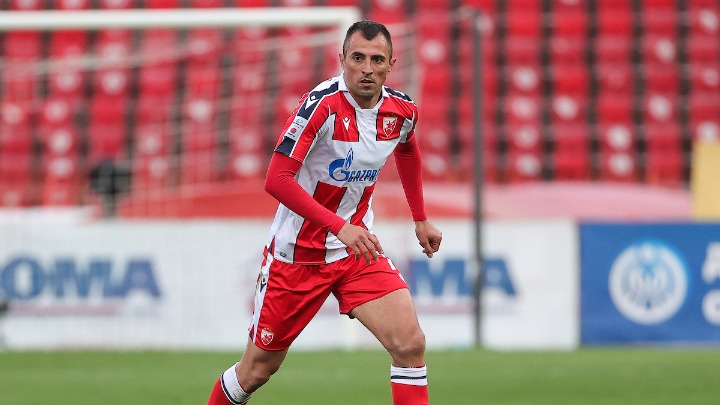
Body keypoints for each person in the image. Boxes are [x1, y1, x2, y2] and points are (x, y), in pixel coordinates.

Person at [207, 20, 442, 405]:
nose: (366, 68)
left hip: (355, 252)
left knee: (409, 344)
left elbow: (407, 151)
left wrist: (420, 217)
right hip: (298, 256)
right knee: (257, 370)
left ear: (391, 65)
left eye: (377, 60)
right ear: (342, 60)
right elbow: (277, 179)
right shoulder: (321, 106)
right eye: (358, 58)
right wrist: (338, 226)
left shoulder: (401, 112)